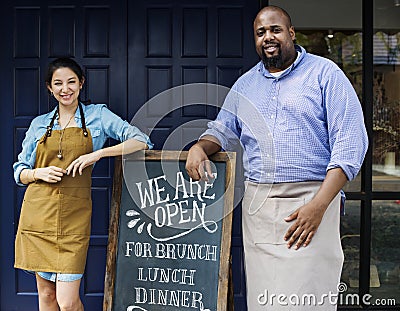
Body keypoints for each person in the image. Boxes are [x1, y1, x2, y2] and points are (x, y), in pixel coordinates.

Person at [186, 5, 368, 310]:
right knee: (265, 300)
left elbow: (350, 144)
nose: (268, 37)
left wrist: (319, 205)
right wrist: (200, 147)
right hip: (260, 207)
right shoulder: (245, 85)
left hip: (312, 202)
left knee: (310, 298)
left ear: (291, 33)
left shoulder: (325, 74)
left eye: (275, 30)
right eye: (260, 32)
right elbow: (222, 130)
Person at [13, 57, 153, 311]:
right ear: (49, 87)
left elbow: (141, 141)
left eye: (71, 82)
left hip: (73, 218)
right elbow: (19, 171)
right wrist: (38, 174)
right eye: (58, 83)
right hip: (38, 216)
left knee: (67, 302)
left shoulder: (97, 116)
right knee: (46, 295)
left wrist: (97, 154)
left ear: (81, 84)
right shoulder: (39, 124)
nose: (65, 89)